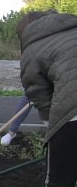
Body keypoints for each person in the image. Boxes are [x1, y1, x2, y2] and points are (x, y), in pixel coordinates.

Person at [17, 9, 77, 187]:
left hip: (72, 112)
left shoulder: (33, 47)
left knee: (59, 180)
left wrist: (50, 127)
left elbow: (38, 92)